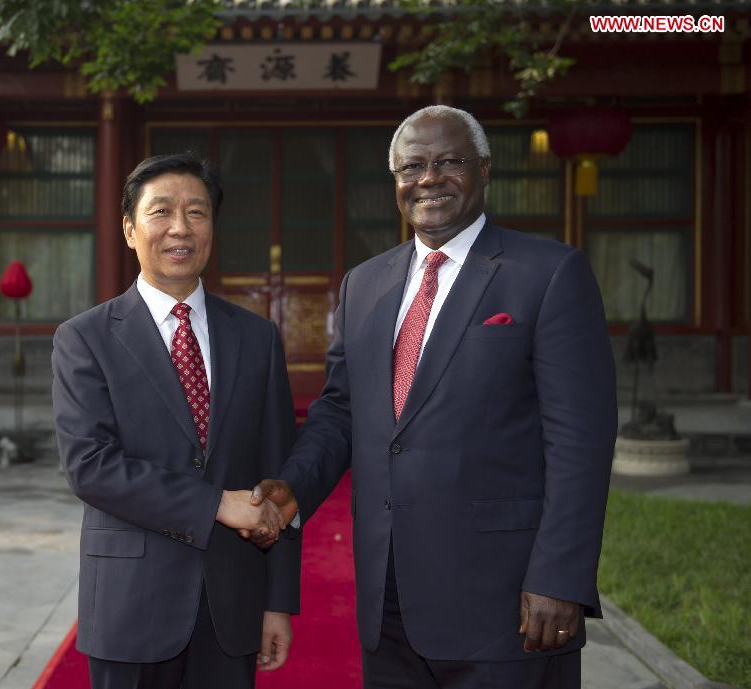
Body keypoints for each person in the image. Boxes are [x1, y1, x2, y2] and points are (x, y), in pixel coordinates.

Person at [251, 105, 617, 689]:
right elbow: (341, 410)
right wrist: (292, 487)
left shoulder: (547, 274)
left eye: (449, 162)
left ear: (485, 169)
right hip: (388, 596)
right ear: (396, 180)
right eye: (411, 166)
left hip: (507, 602)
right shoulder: (364, 283)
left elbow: (581, 441)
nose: (429, 178)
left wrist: (562, 578)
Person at [52, 153, 300, 689]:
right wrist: (215, 503)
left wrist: (277, 601)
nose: (180, 228)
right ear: (129, 229)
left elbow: (279, 475)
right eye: (161, 211)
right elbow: (90, 467)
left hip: (231, 607)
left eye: (197, 212)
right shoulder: (85, 339)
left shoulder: (257, 340)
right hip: (130, 605)